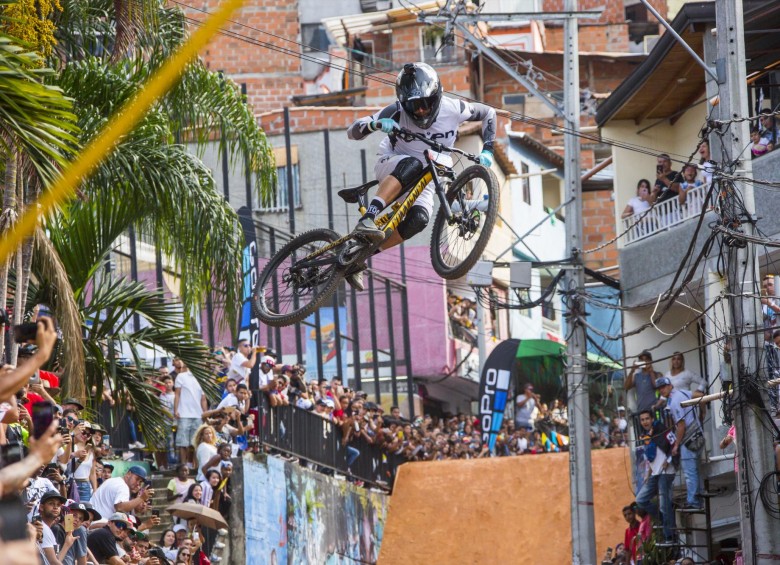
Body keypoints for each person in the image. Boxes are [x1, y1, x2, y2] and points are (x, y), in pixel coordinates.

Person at [345, 62, 496, 290]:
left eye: (426, 104)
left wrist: (487, 149)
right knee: (413, 163)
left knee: (419, 221)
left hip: (429, 173)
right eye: (415, 107)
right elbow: (353, 131)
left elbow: (489, 113)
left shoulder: (454, 108)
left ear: (437, 96)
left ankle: (359, 257)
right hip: (393, 163)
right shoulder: (396, 111)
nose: (422, 111)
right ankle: (368, 219)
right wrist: (376, 124)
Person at [655, 376, 703, 510]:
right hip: (698, 433)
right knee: (696, 469)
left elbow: (681, 425)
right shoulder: (681, 393)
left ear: (670, 385)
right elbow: (700, 396)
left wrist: (676, 445)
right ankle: (698, 498)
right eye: (660, 388)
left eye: (663, 387)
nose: (662, 390)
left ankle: (693, 501)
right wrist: (702, 414)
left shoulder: (675, 401)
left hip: (688, 438)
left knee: (689, 472)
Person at [634, 409, 677, 542]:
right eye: (642, 420)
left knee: (665, 505)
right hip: (655, 473)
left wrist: (667, 461)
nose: (645, 422)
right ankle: (663, 519)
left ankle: (669, 536)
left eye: (647, 418)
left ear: (652, 419)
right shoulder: (645, 436)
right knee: (640, 500)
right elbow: (650, 457)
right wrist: (648, 473)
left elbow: (674, 445)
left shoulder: (662, 429)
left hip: (666, 472)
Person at [173, 360, 208, 467]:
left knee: (195, 443)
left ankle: (193, 465)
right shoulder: (181, 376)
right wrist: (176, 410)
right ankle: (183, 465)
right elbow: (177, 394)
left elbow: (203, 399)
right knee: (183, 443)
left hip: (198, 415)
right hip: (183, 414)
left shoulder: (202, 379)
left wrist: (205, 414)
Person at [89, 465, 154, 520]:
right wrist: (141, 498)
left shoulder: (115, 480)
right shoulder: (123, 486)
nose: (138, 483)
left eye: (140, 482)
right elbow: (120, 508)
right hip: (97, 522)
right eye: (136, 479)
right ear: (129, 474)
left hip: (92, 518)